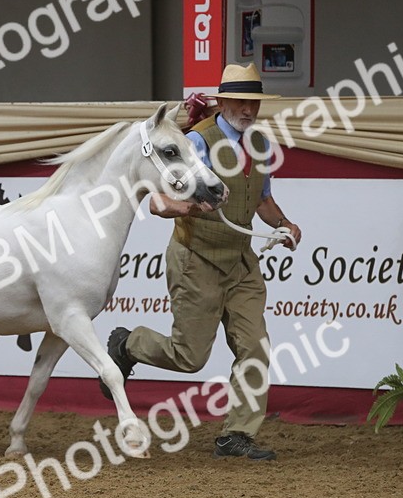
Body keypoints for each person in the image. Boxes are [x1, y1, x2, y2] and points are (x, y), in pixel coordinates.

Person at [102, 63, 302, 461]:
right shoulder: (195, 140)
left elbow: (261, 199)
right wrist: (193, 207)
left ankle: (237, 435)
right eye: (241, 102)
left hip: (241, 262)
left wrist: (284, 224)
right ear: (223, 102)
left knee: (255, 347)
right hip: (197, 259)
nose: (248, 110)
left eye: (254, 103)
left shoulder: (260, 145)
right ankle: (127, 344)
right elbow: (158, 203)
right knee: (189, 357)